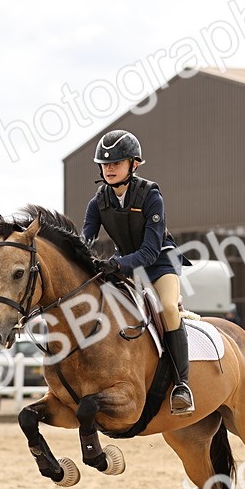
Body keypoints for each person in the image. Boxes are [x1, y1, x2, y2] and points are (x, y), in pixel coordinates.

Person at [82, 129, 193, 416]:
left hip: (159, 263)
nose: (109, 169)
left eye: (116, 163)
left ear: (134, 164)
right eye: (105, 164)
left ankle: (182, 385)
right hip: (125, 265)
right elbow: (85, 241)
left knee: (168, 308)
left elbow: (150, 251)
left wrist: (117, 264)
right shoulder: (98, 202)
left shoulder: (151, 196)